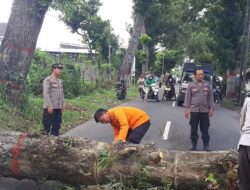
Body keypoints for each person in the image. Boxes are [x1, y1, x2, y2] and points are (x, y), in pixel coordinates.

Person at [184, 69, 214, 151]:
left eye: (202, 74)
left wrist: (211, 109)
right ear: (195, 75)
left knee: (205, 128)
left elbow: (210, 98)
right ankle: (194, 145)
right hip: (194, 111)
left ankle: (206, 145)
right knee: (193, 128)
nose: (202, 76)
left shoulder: (207, 85)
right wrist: (186, 110)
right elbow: (188, 98)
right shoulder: (191, 85)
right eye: (200, 74)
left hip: (204, 111)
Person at [42, 63, 64, 136]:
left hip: (58, 108)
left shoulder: (60, 81)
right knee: (46, 127)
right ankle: (44, 143)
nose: (60, 70)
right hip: (49, 108)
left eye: (61, 69)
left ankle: (54, 144)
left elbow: (61, 94)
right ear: (53, 69)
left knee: (56, 127)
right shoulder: (48, 80)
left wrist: (62, 105)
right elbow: (46, 93)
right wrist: (49, 105)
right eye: (58, 69)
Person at [238, 92, 250, 190]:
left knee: (244, 180)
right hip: (245, 141)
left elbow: (242, 120)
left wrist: (243, 133)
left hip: (245, 141)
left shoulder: (248, 100)